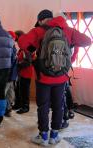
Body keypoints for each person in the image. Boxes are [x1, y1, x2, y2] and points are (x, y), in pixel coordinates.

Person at [18, 9, 91, 146]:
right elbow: (87, 41)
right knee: (58, 106)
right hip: (61, 77)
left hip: (43, 77)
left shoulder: (39, 31)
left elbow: (22, 43)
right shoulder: (68, 30)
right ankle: (54, 136)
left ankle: (43, 136)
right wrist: (72, 43)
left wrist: (34, 43)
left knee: (43, 106)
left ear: (41, 20)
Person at [4, 31, 17, 117]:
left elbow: (8, 63)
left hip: (8, 75)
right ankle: (8, 109)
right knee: (10, 93)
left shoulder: (8, 49)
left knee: (5, 93)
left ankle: (5, 109)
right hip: (12, 75)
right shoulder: (14, 48)